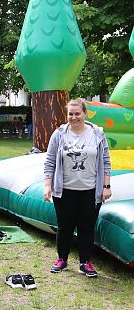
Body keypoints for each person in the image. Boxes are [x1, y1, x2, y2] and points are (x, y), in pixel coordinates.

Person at [44, 98, 111, 278]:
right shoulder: (59, 134)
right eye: (70, 114)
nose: (74, 117)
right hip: (64, 190)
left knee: (86, 227)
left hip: (90, 190)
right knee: (64, 227)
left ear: (85, 114)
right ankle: (62, 259)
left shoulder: (97, 134)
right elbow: (50, 161)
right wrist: (48, 185)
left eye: (77, 114)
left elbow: (106, 162)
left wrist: (106, 186)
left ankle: (85, 262)